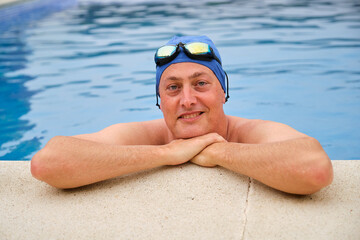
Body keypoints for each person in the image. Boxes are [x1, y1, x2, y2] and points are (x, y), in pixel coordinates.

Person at [31, 35, 333, 194]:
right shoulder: (146, 136)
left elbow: (314, 169)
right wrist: (168, 153)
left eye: (201, 83)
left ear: (223, 92)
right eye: (173, 88)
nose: (187, 100)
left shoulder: (251, 131)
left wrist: (220, 153)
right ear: (159, 101)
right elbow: (50, 162)